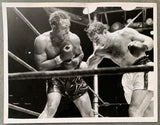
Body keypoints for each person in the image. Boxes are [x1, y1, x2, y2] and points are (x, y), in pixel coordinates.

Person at [85, 21, 154, 117]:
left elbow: (149, 40)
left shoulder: (124, 34)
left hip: (142, 68)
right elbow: (87, 66)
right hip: (127, 75)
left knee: (134, 111)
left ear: (105, 32)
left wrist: (144, 47)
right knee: (147, 111)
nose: (96, 43)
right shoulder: (101, 50)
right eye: (93, 41)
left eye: (97, 39)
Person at [34, 10, 93, 118]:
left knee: (88, 113)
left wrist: (75, 61)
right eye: (64, 28)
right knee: (50, 108)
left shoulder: (74, 38)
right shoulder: (42, 41)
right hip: (55, 76)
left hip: (73, 76)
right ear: (54, 26)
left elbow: (81, 54)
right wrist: (60, 59)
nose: (67, 30)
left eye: (68, 27)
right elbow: (41, 67)